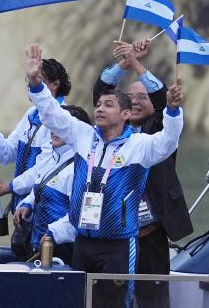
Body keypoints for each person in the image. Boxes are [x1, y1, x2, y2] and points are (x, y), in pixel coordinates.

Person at [24, 43, 183, 308]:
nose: (99, 108)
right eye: (98, 104)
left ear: (125, 114)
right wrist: (35, 82)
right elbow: (52, 114)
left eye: (108, 104)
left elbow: (168, 141)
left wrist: (174, 112)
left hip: (117, 245)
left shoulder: (139, 145)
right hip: (83, 242)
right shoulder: (83, 135)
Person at [94, 40, 192, 308]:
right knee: (110, 297)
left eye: (142, 97)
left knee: (153, 298)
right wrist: (123, 63)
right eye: (130, 97)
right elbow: (101, 92)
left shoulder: (159, 129)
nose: (135, 102)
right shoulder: (109, 132)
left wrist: (137, 65)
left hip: (150, 231)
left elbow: (163, 100)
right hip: (113, 231)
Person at [0, 57, 71, 256]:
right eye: (29, 80)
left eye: (38, 79)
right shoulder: (31, 114)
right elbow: (6, 154)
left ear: (55, 84)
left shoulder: (63, 118)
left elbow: (44, 168)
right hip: (23, 210)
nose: (31, 84)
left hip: (45, 209)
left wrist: (8, 187)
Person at [0, 104, 91, 263]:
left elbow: (80, 216)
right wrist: (27, 205)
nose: (53, 131)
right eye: (53, 126)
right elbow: (37, 190)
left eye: (60, 127)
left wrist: (53, 234)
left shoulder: (79, 168)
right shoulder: (50, 159)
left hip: (64, 250)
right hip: (40, 246)